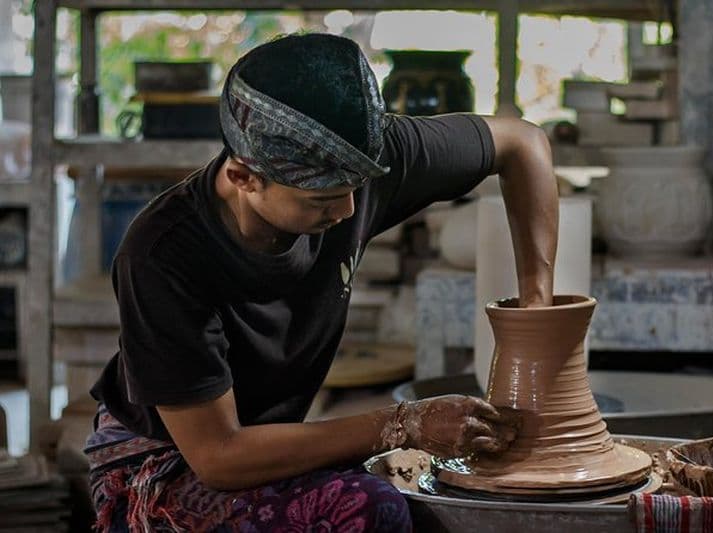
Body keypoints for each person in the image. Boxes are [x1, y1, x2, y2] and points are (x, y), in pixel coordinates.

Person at [85, 33, 558, 532]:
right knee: (371, 508)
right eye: (322, 200)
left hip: (266, 436)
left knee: (432, 497)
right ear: (244, 176)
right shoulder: (164, 255)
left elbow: (522, 143)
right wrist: (404, 423)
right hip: (163, 464)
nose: (349, 211)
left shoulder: (357, 164)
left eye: (355, 190)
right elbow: (219, 457)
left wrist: (538, 306)